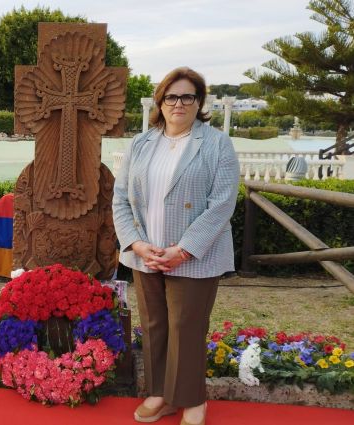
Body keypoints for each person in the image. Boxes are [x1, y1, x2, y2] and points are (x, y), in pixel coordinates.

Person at [113, 67, 239, 425]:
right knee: (154, 326)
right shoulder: (140, 143)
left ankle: (192, 400)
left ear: (199, 102)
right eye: (171, 96)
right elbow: (120, 198)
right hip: (146, 254)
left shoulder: (216, 144)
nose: (179, 103)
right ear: (161, 101)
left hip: (194, 257)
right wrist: (135, 244)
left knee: (186, 326)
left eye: (187, 97)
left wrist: (183, 250)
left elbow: (223, 203)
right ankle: (159, 395)